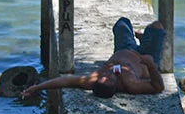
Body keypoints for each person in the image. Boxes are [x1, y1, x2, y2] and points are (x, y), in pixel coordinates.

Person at [21, 17, 167, 98]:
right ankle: (145, 39)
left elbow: (65, 80)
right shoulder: (131, 84)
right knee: (157, 26)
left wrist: (37, 87)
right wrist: (150, 64)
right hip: (144, 55)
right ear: (115, 86)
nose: (108, 74)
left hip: (124, 49)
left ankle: (140, 37)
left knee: (122, 22)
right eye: (110, 78)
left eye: (104, 76)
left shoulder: (94, 79)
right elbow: (158, 87)